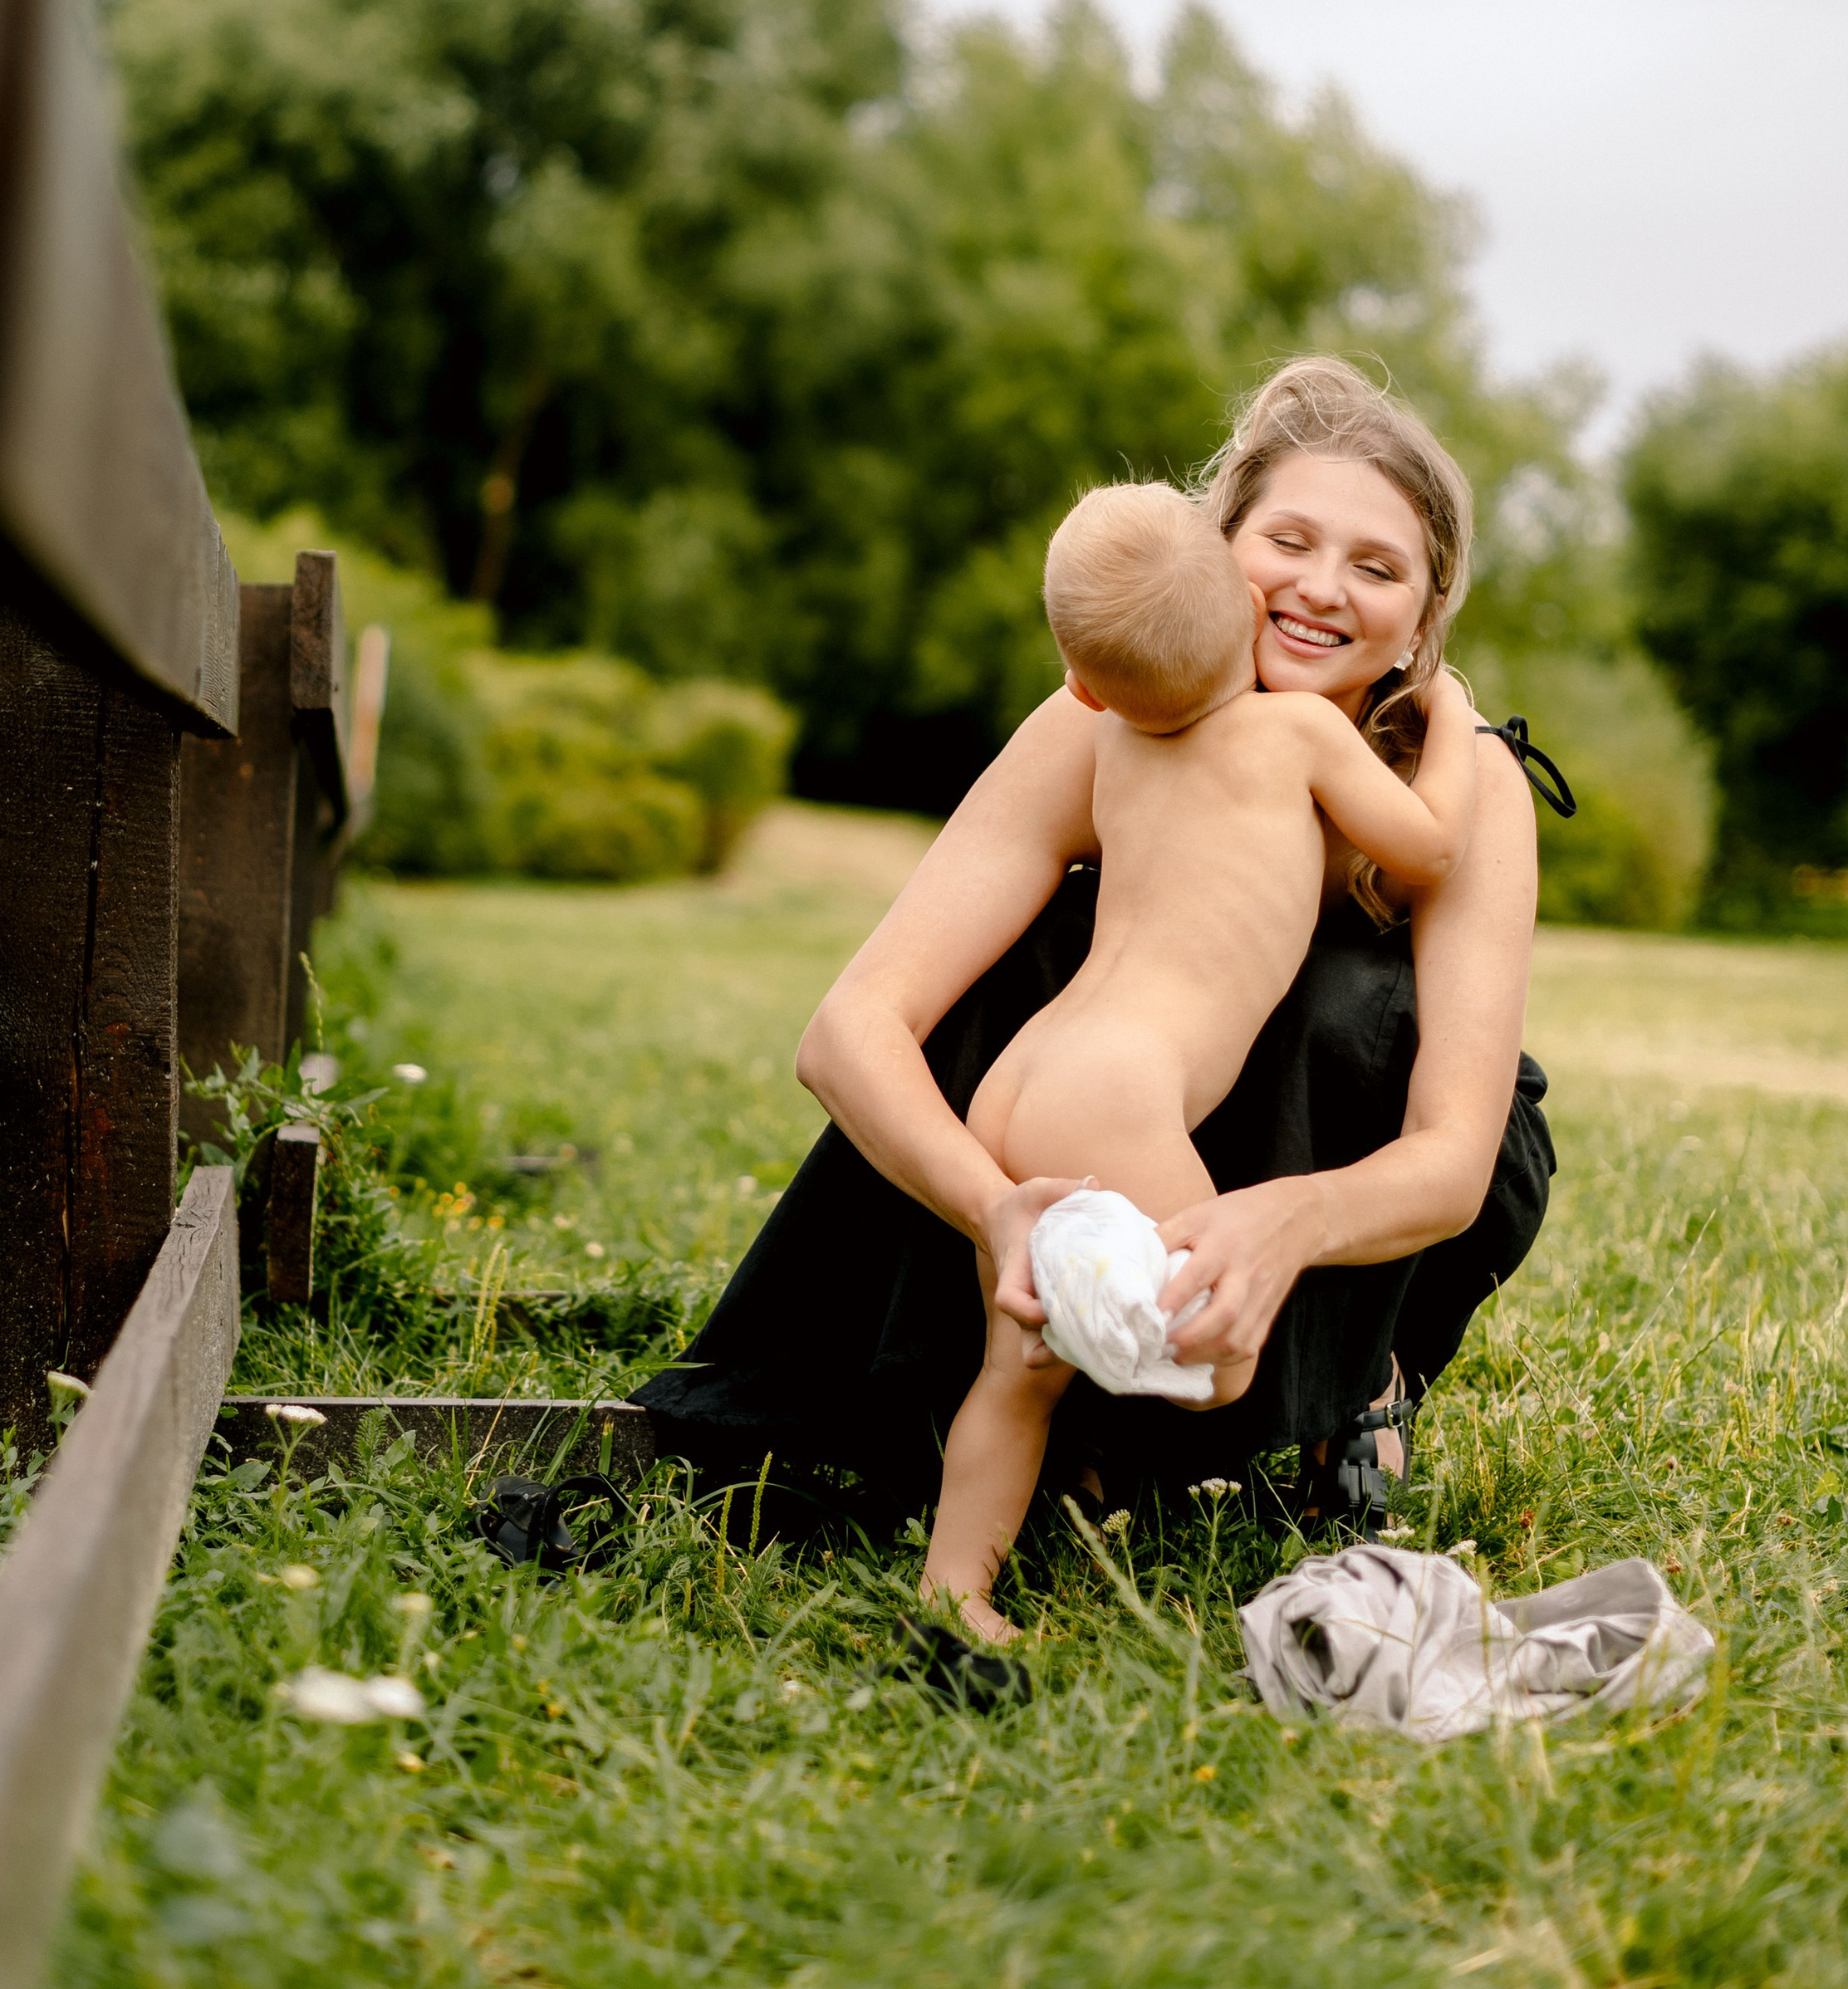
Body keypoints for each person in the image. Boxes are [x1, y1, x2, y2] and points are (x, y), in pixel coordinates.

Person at [632, 355, 1560, 1570]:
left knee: (1342, 1003)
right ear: (1216, 546)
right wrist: (993, 1208)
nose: (1322, 591)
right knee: (1032, 968)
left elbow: (1452, 1157)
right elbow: (854, 1028)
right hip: (1105, 1123)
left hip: (1350, 1152)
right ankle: (1054, 1418)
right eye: (1288, 540)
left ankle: (1350, 1383)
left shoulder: (1463, 773)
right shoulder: (1107, 723)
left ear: (1426, 612)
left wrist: (1282, 1221)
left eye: (1377, 567)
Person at [925, 479, 1479, 1639]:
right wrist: (1460, 720)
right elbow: (1429, 849)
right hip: (1121, 1094)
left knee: (1013, 1372)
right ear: (1244, 607)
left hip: (1027, 1076)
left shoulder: (1113, 743)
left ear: (1082, 682)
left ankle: (955, 1588)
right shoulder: (1301, 732)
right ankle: (1148, 1413)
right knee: (1216, 1359)